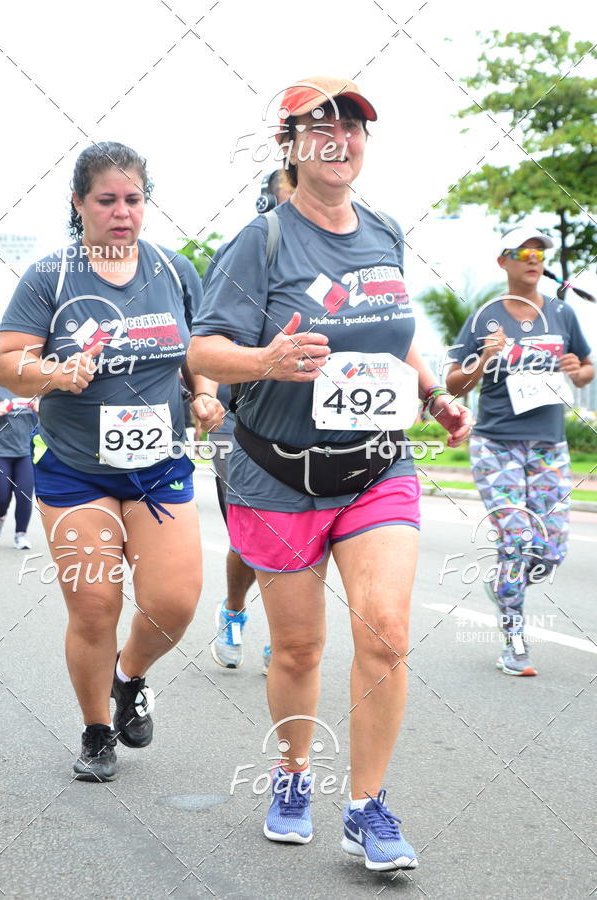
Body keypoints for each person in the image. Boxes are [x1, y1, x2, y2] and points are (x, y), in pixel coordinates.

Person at [189, 76, 471, 871]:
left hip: (376, 466)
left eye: (353, 126)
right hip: (278, 473)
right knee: (300, 650)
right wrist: (265, 361)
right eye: (321, 126)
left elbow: (391, 330)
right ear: (292, 144)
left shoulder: (382, 229)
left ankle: (366, 806)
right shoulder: (261, 242)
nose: (340, 138)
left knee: (385, 630)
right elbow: (203, 349)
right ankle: (291, 774)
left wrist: (428, 390)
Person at [0, 141, 223, 782]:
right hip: (75, 469)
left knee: (174, 603)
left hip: (157, 465)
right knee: (95, 604)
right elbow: (7, 363)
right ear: (79, 203)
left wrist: (205, 397)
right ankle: (97, 731)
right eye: (107, 200)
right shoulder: (51, 277)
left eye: (133, 200)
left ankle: (131, 677)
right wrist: (53, 373)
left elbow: (198, 352)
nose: (122, 213)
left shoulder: (176, 272)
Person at [446, 224, 593, 676]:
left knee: (551, 553)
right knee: (517, 539)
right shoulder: (485, 318)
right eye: (523, 250)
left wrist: (577, 369)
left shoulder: (563, 314)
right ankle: (513, 640)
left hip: (549, 447)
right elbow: (453, 382)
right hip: (497, 446)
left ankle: (501, 584)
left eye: (540, 251)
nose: (534, 257)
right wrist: (484, 358)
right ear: (503, 261)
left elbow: (586, 369)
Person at [208, 168, 295, 673]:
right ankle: (235, 610)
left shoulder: (340, 248)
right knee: (253, 532)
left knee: (304, 534)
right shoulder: (247, 249)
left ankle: (287, 634)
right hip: (236, 417)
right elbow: (207, 343)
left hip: (311, 421)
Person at [0, 388, 38, 549]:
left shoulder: (33, 385)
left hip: (26, 451)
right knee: (1, 496)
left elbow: (50, 418)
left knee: (24, 495)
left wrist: (41, 410)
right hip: (1, 451)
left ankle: (21, 534)